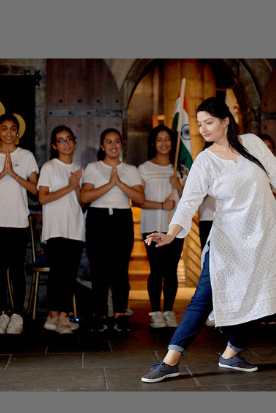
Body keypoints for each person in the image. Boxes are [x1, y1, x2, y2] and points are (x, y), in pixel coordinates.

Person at [140, 97, 276, 383]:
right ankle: (171, 361)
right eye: (199, 124)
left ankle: (231, 354)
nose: (203, 129)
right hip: (228, 238)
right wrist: (171, 233)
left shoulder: (253, 144)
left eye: (209, 122)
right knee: (203, 298)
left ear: (225, 121)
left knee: (265, 297)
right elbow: (188, 200)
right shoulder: (205, 161)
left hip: (266, 234)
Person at [0, 113, 39, 334]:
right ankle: (1, 313)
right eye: (4, 128)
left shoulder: (27, 155)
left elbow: (34, 190)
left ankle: (17, 315)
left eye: (13, 128)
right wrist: (2, 172)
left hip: (17, 222)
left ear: (18, 131)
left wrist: (13, 174)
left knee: (16, 271)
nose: (9, 133)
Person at [81, 128, 145, 334]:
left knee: (120, 271)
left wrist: (119, 183)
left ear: (121, 144)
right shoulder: (93, 167)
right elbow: (85, 197)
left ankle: (119, 315)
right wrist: (110, 184)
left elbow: (140, 199)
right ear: (102, 146)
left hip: (122, 219)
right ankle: (99, 316)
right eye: (108, 142)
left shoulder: (131, 169)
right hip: (98, 219)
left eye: (116, 141)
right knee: (99, 270)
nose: (113, 146)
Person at [137, 125, 188, 328]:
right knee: (156, 269)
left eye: (167, 139)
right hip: (152, 226)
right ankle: (155, 312)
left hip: (175, 228)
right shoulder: (144, 169)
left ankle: (169, 310)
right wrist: (162, 205)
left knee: (171, 270)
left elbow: (189, 200)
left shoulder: (181, 169)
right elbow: (138, 200)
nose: (164, 143)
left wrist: (179, 186)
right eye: (159, 139)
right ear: (153, 143)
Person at [38, 126, 85, 334]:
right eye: (61, 140)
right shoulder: (49, 167)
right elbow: (43, 198)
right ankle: (60, 316)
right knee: (58, 274)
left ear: (74, 141)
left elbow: (81, 203)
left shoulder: (78, 168)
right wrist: (69, 185)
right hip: (56, 228)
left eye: (69, 139)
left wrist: (75, 185)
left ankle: (55, 317)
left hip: (75, 227)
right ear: (54, 145)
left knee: (69, 274)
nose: (66, 143)